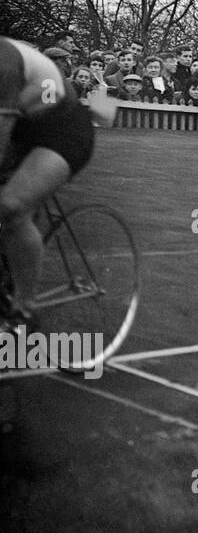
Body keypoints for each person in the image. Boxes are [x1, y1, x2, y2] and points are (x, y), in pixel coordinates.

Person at [0, 38, 96, 331]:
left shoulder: (4, 61)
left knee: (12, 207)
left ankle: (23, 310)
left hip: (62, 130)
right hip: (22, 127)